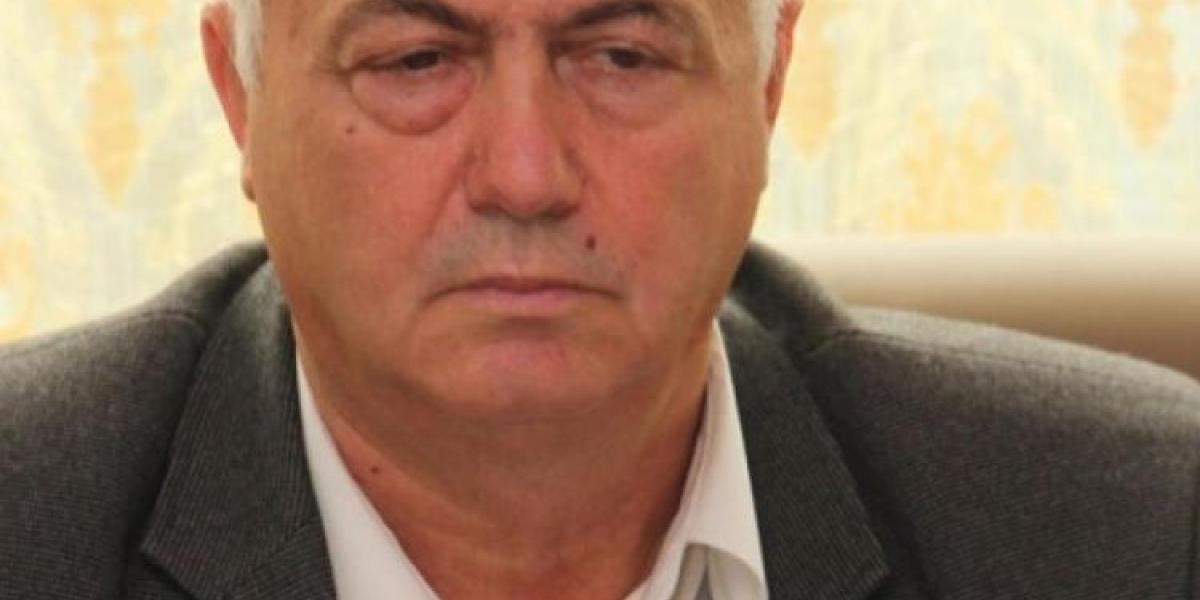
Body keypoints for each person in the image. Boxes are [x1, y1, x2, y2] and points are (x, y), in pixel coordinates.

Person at [2, 0, 1199, 598]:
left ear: (769, 84)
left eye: (621, 56)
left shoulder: (1138, 537)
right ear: (240, 97)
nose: (525, 173)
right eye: (417, 61)